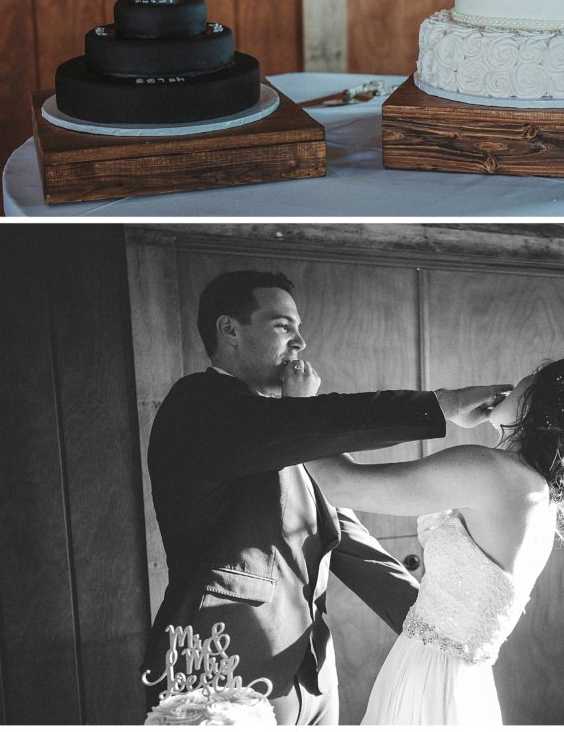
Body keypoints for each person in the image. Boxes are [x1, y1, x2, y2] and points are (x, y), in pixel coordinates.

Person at [141, 269, 508, 725]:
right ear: (229, 329)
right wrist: (443, 404)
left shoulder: (290, 427)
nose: (300, 343)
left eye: (298, 328)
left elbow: (351, 546)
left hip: (310, 676)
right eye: (283, 326)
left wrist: (442, 634)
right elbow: (313, 423)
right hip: (220, 666)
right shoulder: (198, 406)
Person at [304, 356, 564, 725]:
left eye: (529, 377)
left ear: (540, 400)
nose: (515, 383)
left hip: (428, 682)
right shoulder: (540, 497)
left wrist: (300, 406)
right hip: (463, 686)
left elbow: (338, 483)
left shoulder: (491, 471)